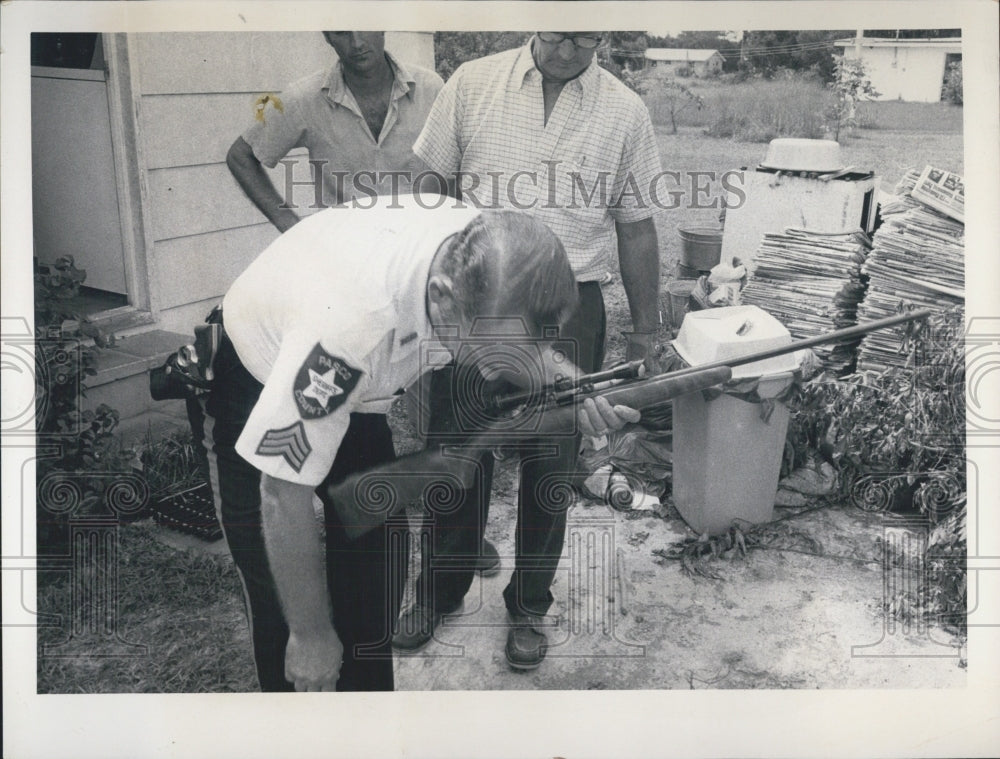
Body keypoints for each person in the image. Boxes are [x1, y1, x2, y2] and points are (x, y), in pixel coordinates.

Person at [201, 199, 639, 691]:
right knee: (282, 608)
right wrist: (311, 633)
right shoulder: (345, 335)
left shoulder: (482, 253)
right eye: (493, 349)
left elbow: (524, 342)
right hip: (261, 371)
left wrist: (574, 386)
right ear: (443, 297)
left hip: (362, 384)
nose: (506, 369)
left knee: (376, 574)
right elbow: (281, 495)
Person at [394, 31, 664, 671]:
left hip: (572, 307)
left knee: (551, 465)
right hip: (477, 298)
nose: (572, 49)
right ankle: (437, 591)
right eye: (561, 34)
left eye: (588, 38)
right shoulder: (472, 83)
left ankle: (528, 606)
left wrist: (648, 329)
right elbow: (424, 184)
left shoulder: (625, 110)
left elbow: (637, 224)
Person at [226, 31, 442, 231]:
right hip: (346, 255)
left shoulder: (430, 89)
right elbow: (240, 157)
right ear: (328, 37)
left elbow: (457, 166)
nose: (356, 43)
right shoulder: (305, 98)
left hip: (420, 249)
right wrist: (294, 230)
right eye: (341, 32)